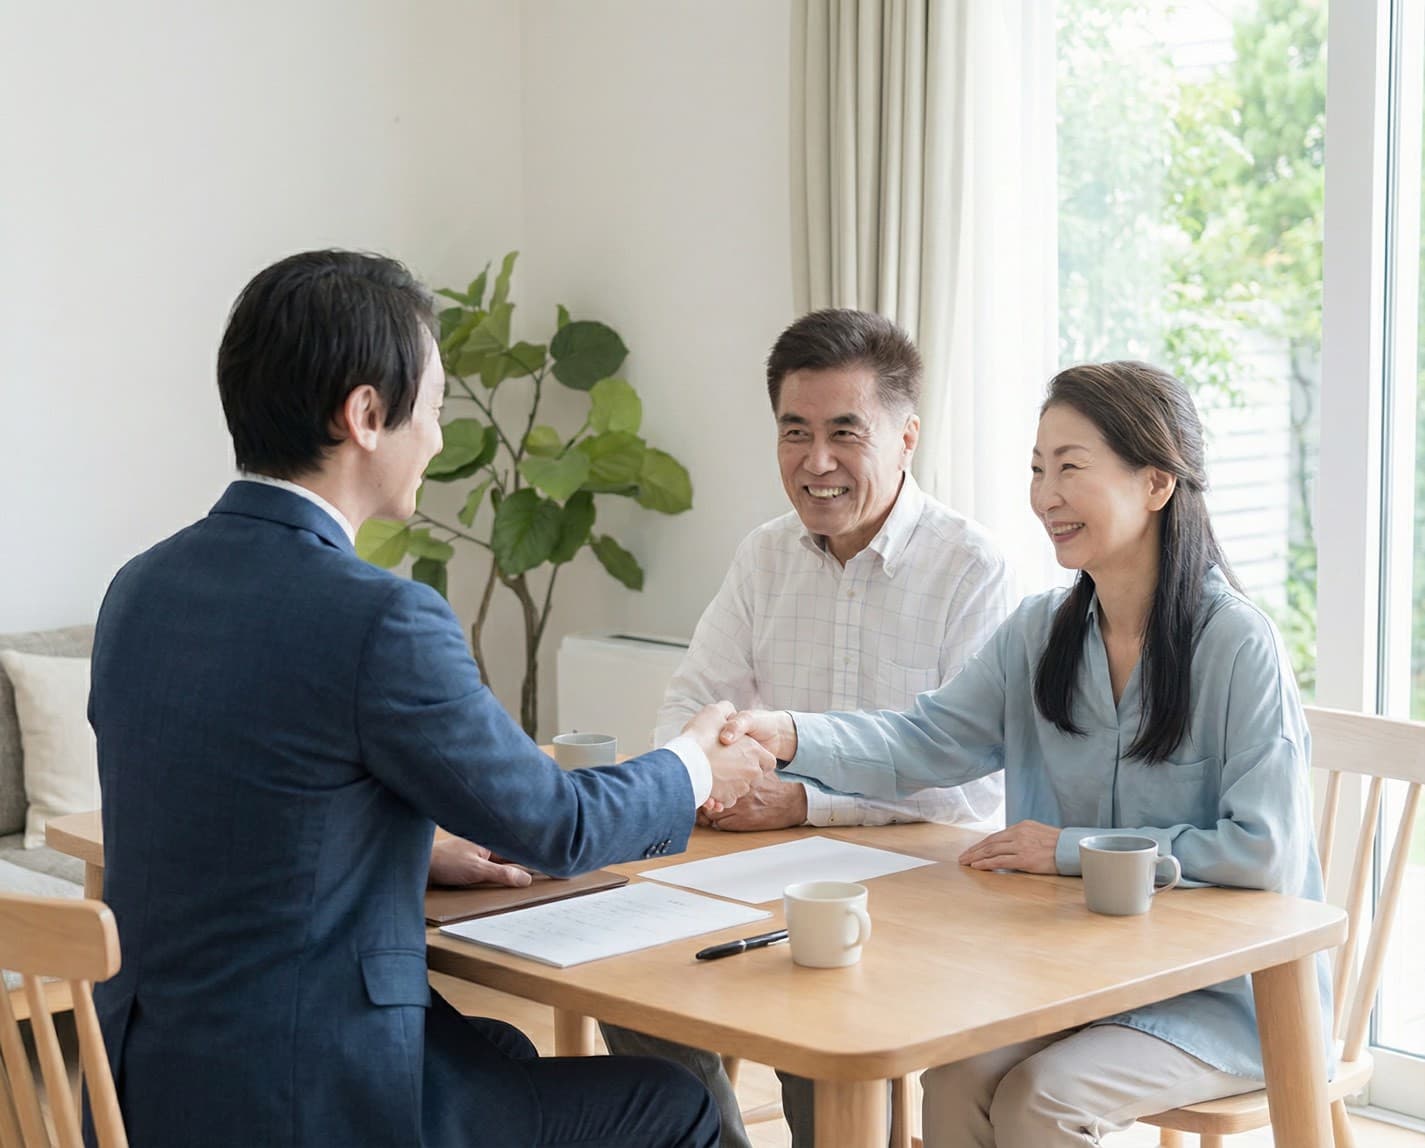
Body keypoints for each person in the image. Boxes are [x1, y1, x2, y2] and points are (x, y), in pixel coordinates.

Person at [86, 250, 775, 1148]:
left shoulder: (140, 588)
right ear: (367, 415)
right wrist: (694, 766)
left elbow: (235, 813)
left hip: (148, 1088)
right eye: (437, 408)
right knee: (671, 1103)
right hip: (304, 1105)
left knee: (498, 1049)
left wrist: (408, 850)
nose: (441, 441)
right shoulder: (376, 617)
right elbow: (557, 825)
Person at [719, 361, 1333, 1147]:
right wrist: (790, 732)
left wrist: (1067, 849)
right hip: (1074, 974)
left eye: (1070, 468)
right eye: (1037, 470)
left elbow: (1261, 849)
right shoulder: (1040, 631)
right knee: (954, 1076)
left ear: (1155, 483)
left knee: (1040, 1100)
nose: (1045, 496)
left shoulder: (1236, 644)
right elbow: (923, 741)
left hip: (1222, 995)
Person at [603, 308, 1015, 1148]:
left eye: (843, 433)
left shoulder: (973, 568)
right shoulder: (764, 555)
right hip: (771, 871)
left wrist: (804, 804)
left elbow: (973, 785)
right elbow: (690, 710)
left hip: (929, 891)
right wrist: (714, 772)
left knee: (811, 1027)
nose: (815, 461)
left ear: (906, 439)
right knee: (628, 976)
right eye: (795, 432)